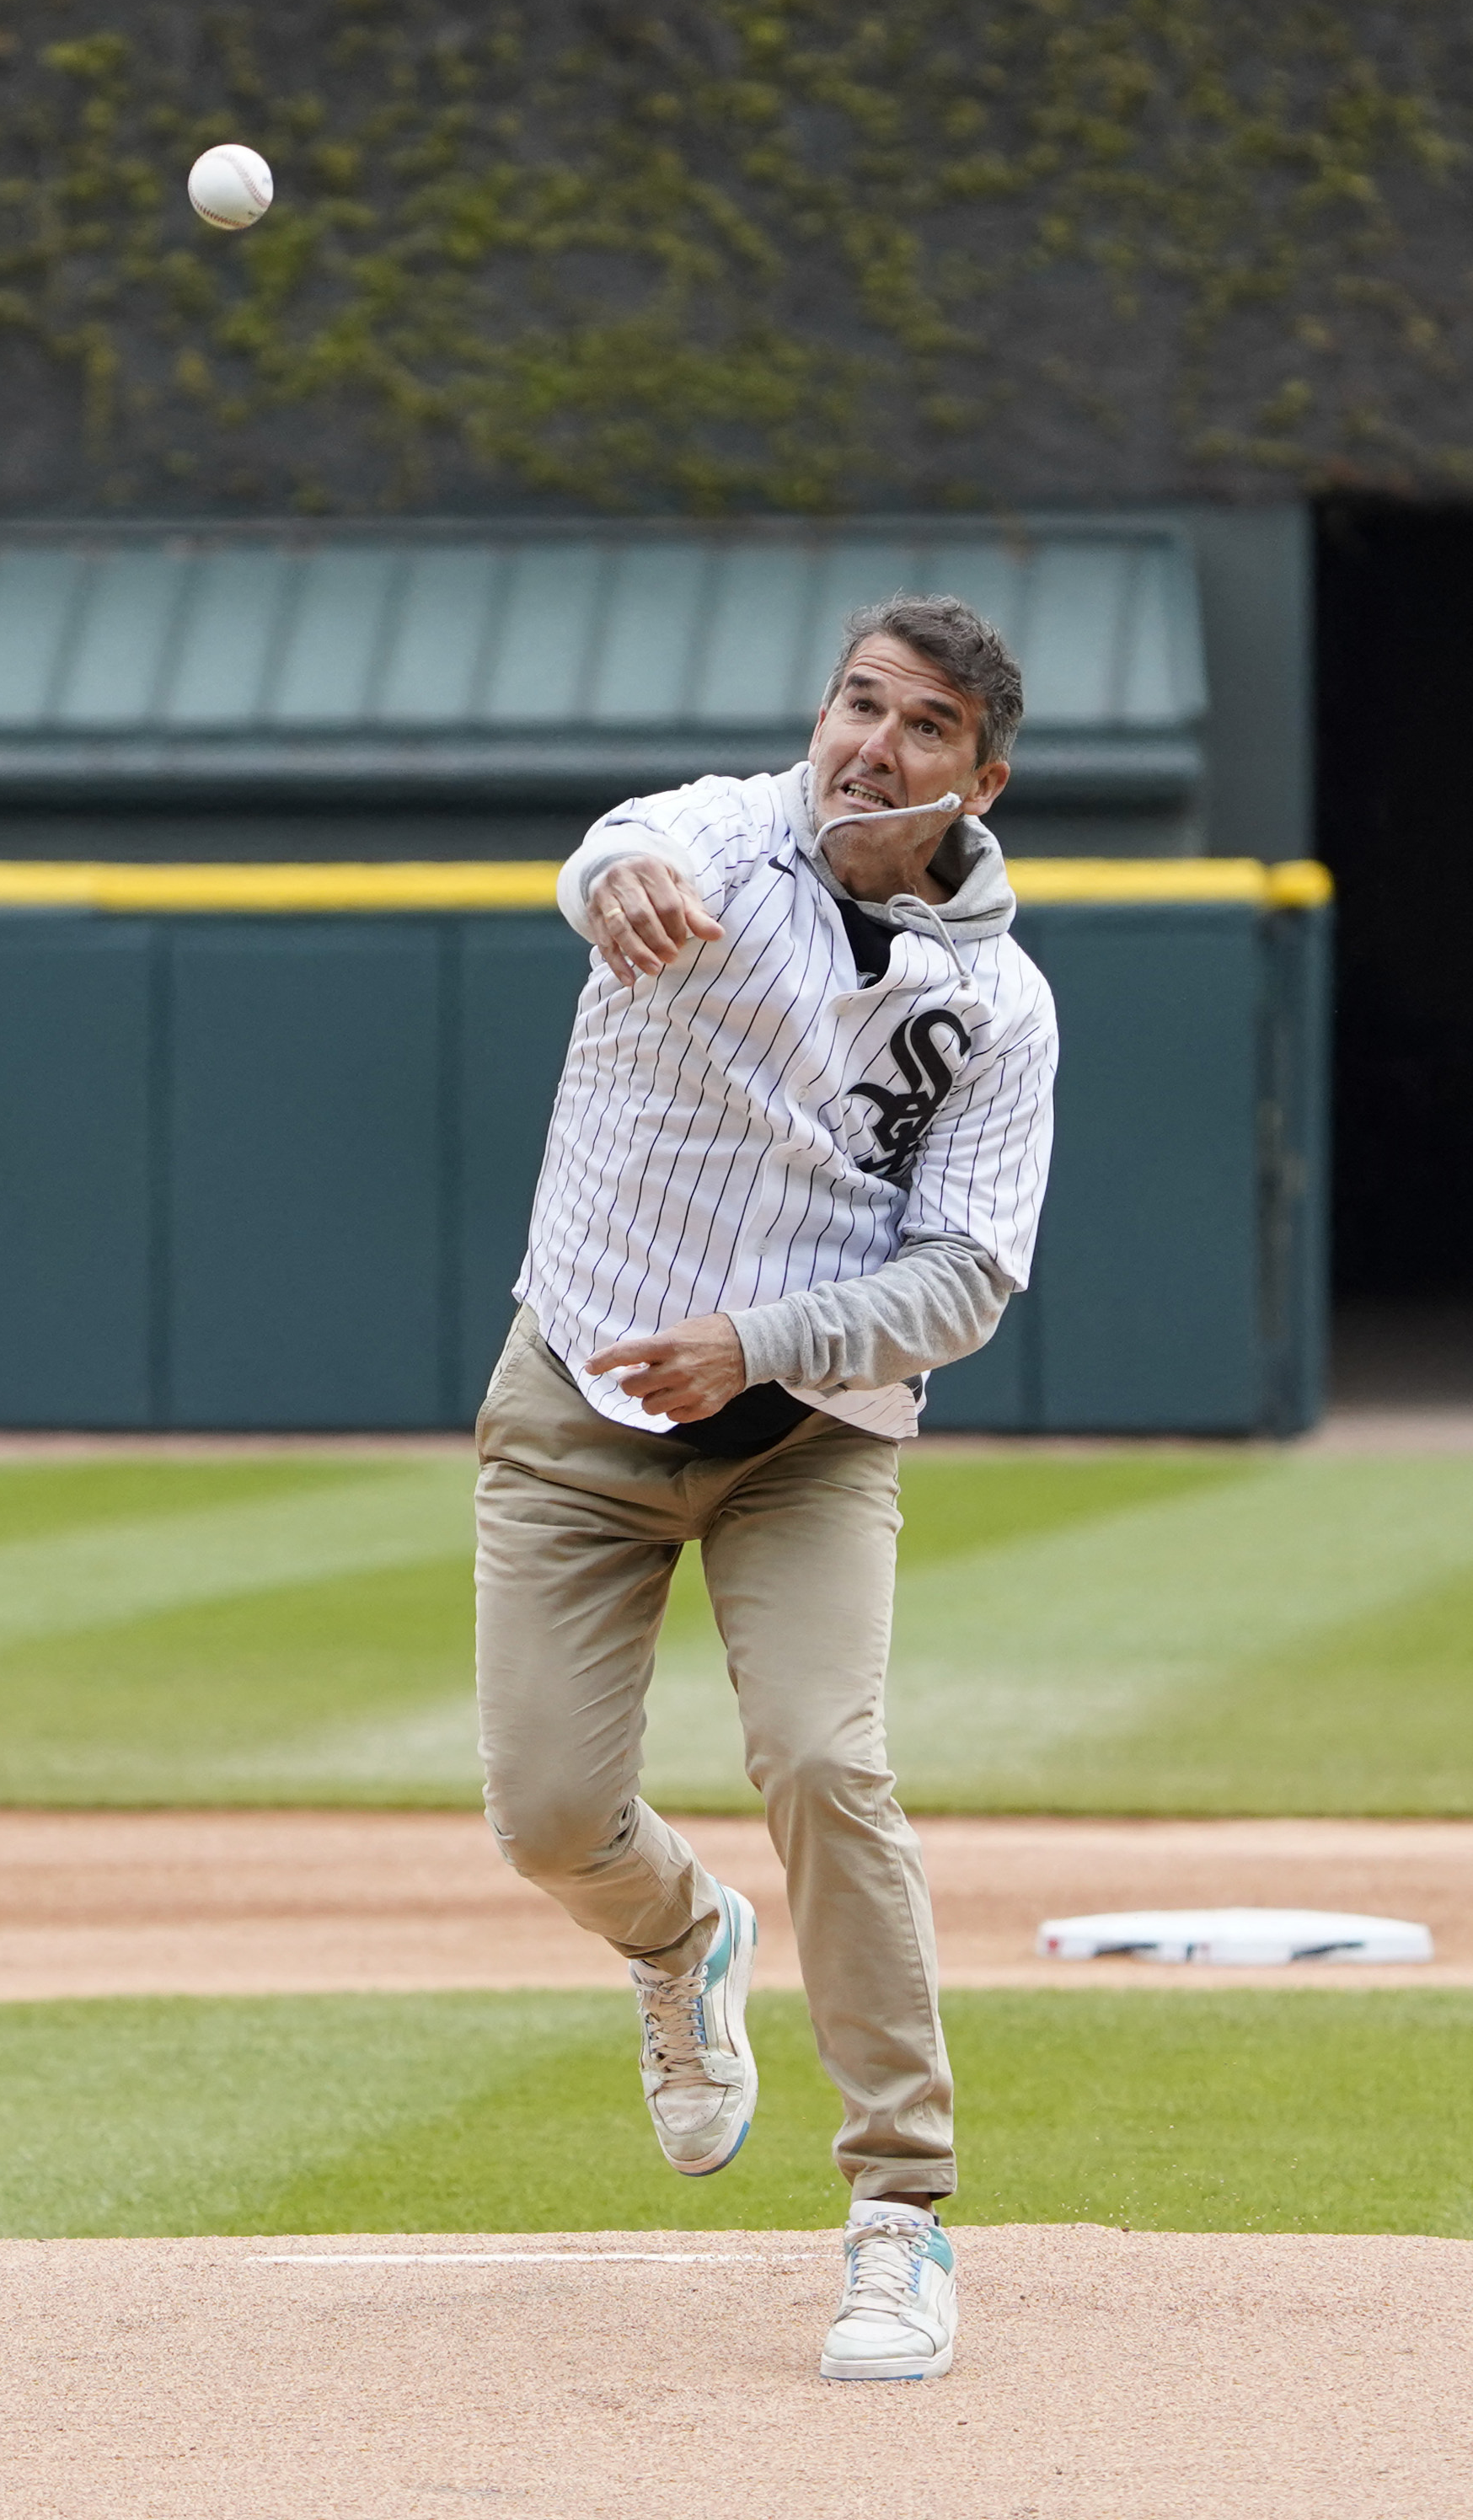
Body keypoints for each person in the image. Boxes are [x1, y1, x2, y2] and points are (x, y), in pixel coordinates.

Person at [474, 592, 1059, 2384]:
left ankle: (900, 2212)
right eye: (856, 702)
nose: (868, 744)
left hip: (805, 1438)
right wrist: (609, 888)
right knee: (547, 1817)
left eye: (921, 725)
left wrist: (764, 1339)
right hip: (575, 1404)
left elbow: (966, 1277)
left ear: (981, 777)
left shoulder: (999, 1006)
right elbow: (617, 851)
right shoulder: (722, 837)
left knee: (825, 1757)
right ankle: (682, 1938)